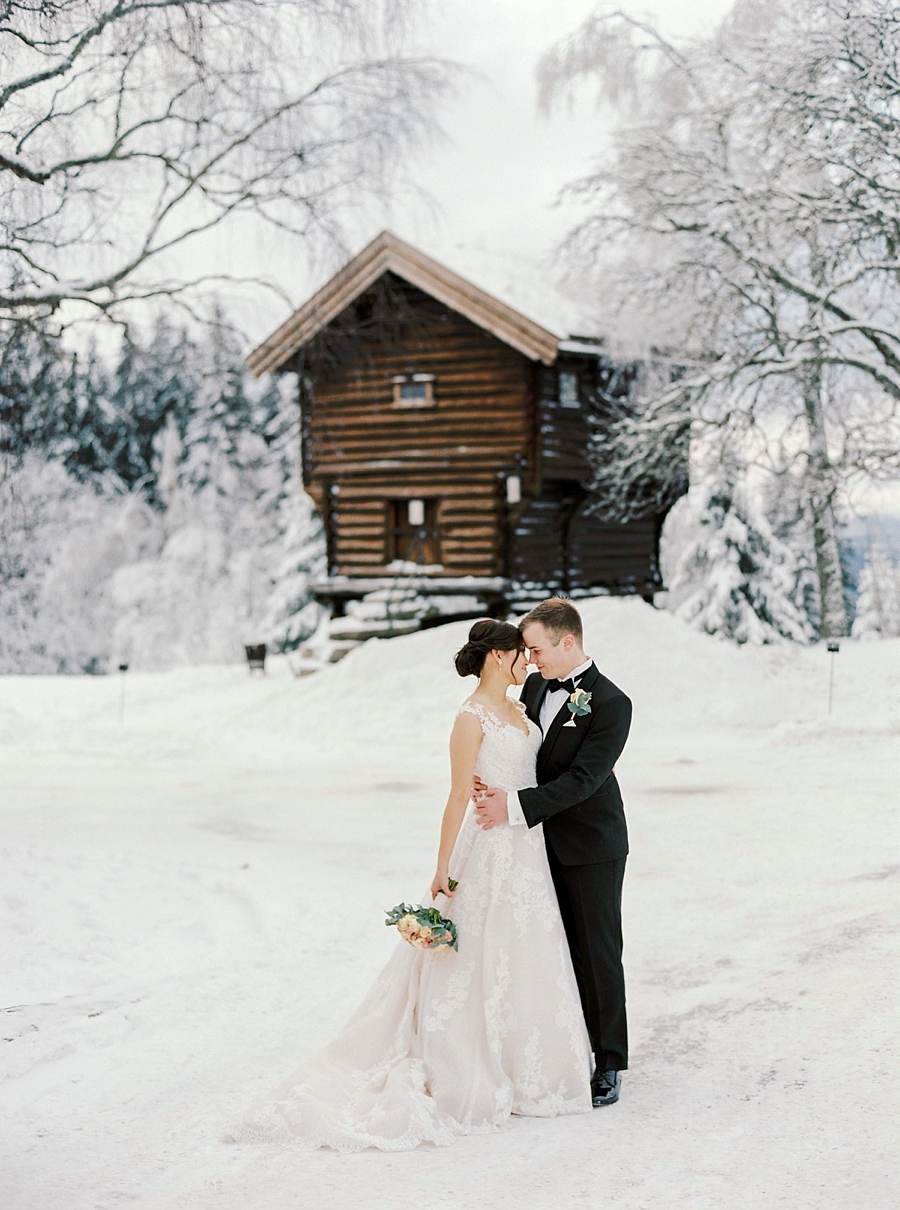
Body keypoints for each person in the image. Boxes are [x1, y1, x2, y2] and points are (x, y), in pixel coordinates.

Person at [231, 618, 591, 1153]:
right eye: (520, 653)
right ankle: (469, 1062)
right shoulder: (469, 719)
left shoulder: (521, 707)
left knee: (527, 951)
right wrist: (443, 869)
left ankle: (532, 1065)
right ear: (497, 657)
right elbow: (454, 798)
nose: (528, 662)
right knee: (476, 955)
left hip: (527, 848)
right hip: (488, 847)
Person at [474, 598, 632, 1108]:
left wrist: (514, 806)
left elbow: (584, 779)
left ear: (568, 641)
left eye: (537, 649)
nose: (532, 660)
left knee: (597, 952)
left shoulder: (611, 703)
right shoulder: (538, 686)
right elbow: (523, 749)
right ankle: (565, 1049)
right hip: (534, 843)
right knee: (550, 951)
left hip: (590, 844)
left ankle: (609, 1062)